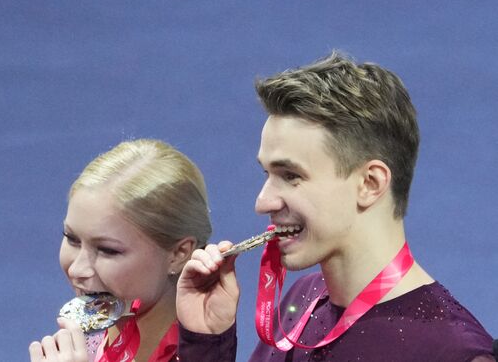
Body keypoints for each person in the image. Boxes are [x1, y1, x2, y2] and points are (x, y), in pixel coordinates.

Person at [176, 52, 495, 361]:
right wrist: (207, 343)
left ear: (370, 183)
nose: (263, 202)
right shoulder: (302, 302)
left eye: (291, 175)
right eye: (267, 173)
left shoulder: (455, 353)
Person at [29, 139, 212, 362]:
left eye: (107, 250)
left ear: (179, 253)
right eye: (72, 239)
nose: (77, 269)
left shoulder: (203, 355)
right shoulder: (82, 346)